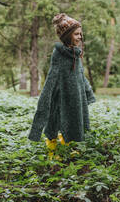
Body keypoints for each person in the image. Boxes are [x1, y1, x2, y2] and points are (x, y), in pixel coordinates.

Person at [28, 13, 96, 157]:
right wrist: (47, 99)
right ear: (67, 35)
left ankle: (71, 149)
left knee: (75, 122)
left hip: (75, 98)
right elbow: (52, 78)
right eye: (76, 34)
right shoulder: (59, 54)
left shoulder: (75, 53)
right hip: (60, 96)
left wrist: (88, 92)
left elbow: (80, 74)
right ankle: (53, 153)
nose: (80, 37)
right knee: (55, 122)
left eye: (80, 34)